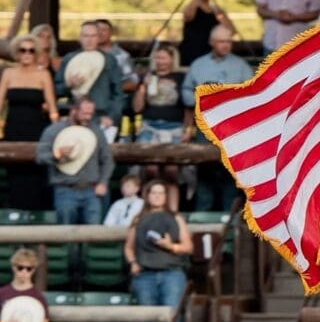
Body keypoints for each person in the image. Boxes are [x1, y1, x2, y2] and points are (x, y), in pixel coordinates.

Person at [124, 181, 192, 322]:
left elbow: (187, 247)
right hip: (145, 274)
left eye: (161, 193)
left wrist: (171, 246)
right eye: (153, 192)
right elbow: (128, 247)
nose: (157, 196)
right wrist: (133, 263)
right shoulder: (139, 219)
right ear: (148, 195)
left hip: (171, 273)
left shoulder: (175, 218)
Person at [182, 28, 253, 210]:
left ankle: (227, 218)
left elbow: (252, 94)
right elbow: (186, 92)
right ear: (212, 42)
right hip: (205, 127)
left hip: (232, 128)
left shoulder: (241, 66)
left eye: (229, 41)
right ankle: (201, 218)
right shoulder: (198, 65)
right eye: (222, 41)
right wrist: (201, 100)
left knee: (230, 173)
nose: (226, 45)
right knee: (204, 170)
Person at [0, 33, 58, 210]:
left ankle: (36, 213)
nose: (27, 54)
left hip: (37, 129)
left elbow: (52, 106)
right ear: (17, 52)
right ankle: (15, 210)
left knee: (35, 170)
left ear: (36, 53)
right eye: (23, 50)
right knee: (15, 171)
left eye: (31, 51)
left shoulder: (43, 75)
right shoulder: (8, 73)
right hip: (13, 127)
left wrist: (56, 130)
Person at [35, 97, 114, 226]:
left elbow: (107, 159)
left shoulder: (96, 131)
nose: (88, 117)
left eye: (90, 114)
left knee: (93, 230)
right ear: (73, 111)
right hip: (65, 188)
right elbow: (40, 157)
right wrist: (57, 154)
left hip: (91, 189)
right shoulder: (54, 130)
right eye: (84, 113)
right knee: (66, 231)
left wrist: (103, 182)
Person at [132, 43, 186, 209]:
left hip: (174, 126)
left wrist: (188, 129)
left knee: (171, 170)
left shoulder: (180, 77)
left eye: (163, 57)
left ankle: (173, 210)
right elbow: (137, 108)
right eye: (157, 57)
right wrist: (143, 88)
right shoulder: (148, 77)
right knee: (150, 168)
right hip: (150, 125)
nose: (159, 61)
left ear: (171, 59)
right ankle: (148, 208)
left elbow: (188, 107)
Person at [54, 21, 124, 132]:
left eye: (93, 36)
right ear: (80, 38)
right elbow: (56, 90)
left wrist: (112, 117)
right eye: (85, 36)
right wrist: (68, 85)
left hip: (102, 117)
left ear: (98, 38)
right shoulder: (69, 59)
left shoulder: (109, 60)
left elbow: (117, 93)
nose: (89, 40)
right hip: (75, 116)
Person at [180, 0, 237, 67]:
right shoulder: (192, 7)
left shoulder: (217, 11)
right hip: (191, 54)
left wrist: (220, 15)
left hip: (211, 55)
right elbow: (188, 16)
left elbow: (231, 31)